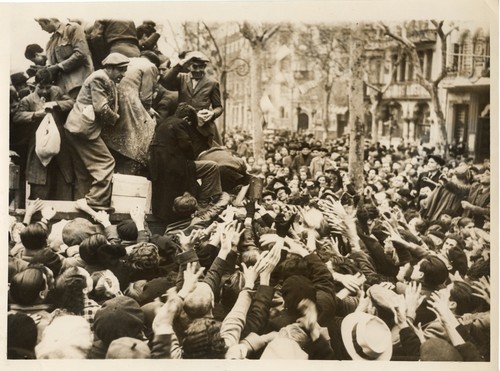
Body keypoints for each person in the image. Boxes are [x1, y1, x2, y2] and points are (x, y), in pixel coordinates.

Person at [64, 53, 129, 209]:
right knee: (106, 162)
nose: (123, 74)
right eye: (121, 70)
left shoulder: (108, 78)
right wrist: (116, 118)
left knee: (83, 171)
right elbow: (101, 107)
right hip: (84, 129)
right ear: (110, 68)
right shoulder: (99, 78)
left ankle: (82, 202)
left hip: (77, 128)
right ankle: (96, 201)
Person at [148, 102, 222, 224]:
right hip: (175, 167)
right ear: (187, 119)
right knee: (212, 167)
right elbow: (186, 146)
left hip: (160, 167)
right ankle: (203, 205)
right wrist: (193, 156)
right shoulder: (180, 123)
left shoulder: (164, 123)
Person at [13, 68, 75, 201]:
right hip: (38, 146)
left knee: (64, 178)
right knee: (40, 181)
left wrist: (57, 104)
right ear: (36, 84)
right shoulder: (28, 100)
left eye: (48, 87)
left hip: (59, 144)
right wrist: (35, 114)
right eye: (41, 87)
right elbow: (17, 117)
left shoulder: (57, 91)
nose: (45, 91)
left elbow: (71, 102)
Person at [101, 51, 159, 175]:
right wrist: (149, 112)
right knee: (140, 139)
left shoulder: (129, 60)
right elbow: (146, 98)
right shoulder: (151, 67)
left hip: (115, 102)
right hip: (129, 104)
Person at [162, 51, 223, 152]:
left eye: (202, 67)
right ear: (189, 66)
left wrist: (212, 113)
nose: (198, 70)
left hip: (201, 129)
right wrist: (181, 63)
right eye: (195, 66)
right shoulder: (182, 78)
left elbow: (219, 107)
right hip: (182, 126)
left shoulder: (212, 83)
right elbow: (166, 80)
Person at [35, 18, 94, 98]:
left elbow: (81, 53)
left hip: (81, 86)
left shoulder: (72, 28)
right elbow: (53, 66)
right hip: (63, 92)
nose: (42, 29)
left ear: (47, 21)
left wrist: (58, 67)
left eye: (41, 25)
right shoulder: (50, 43)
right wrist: (46, 70)